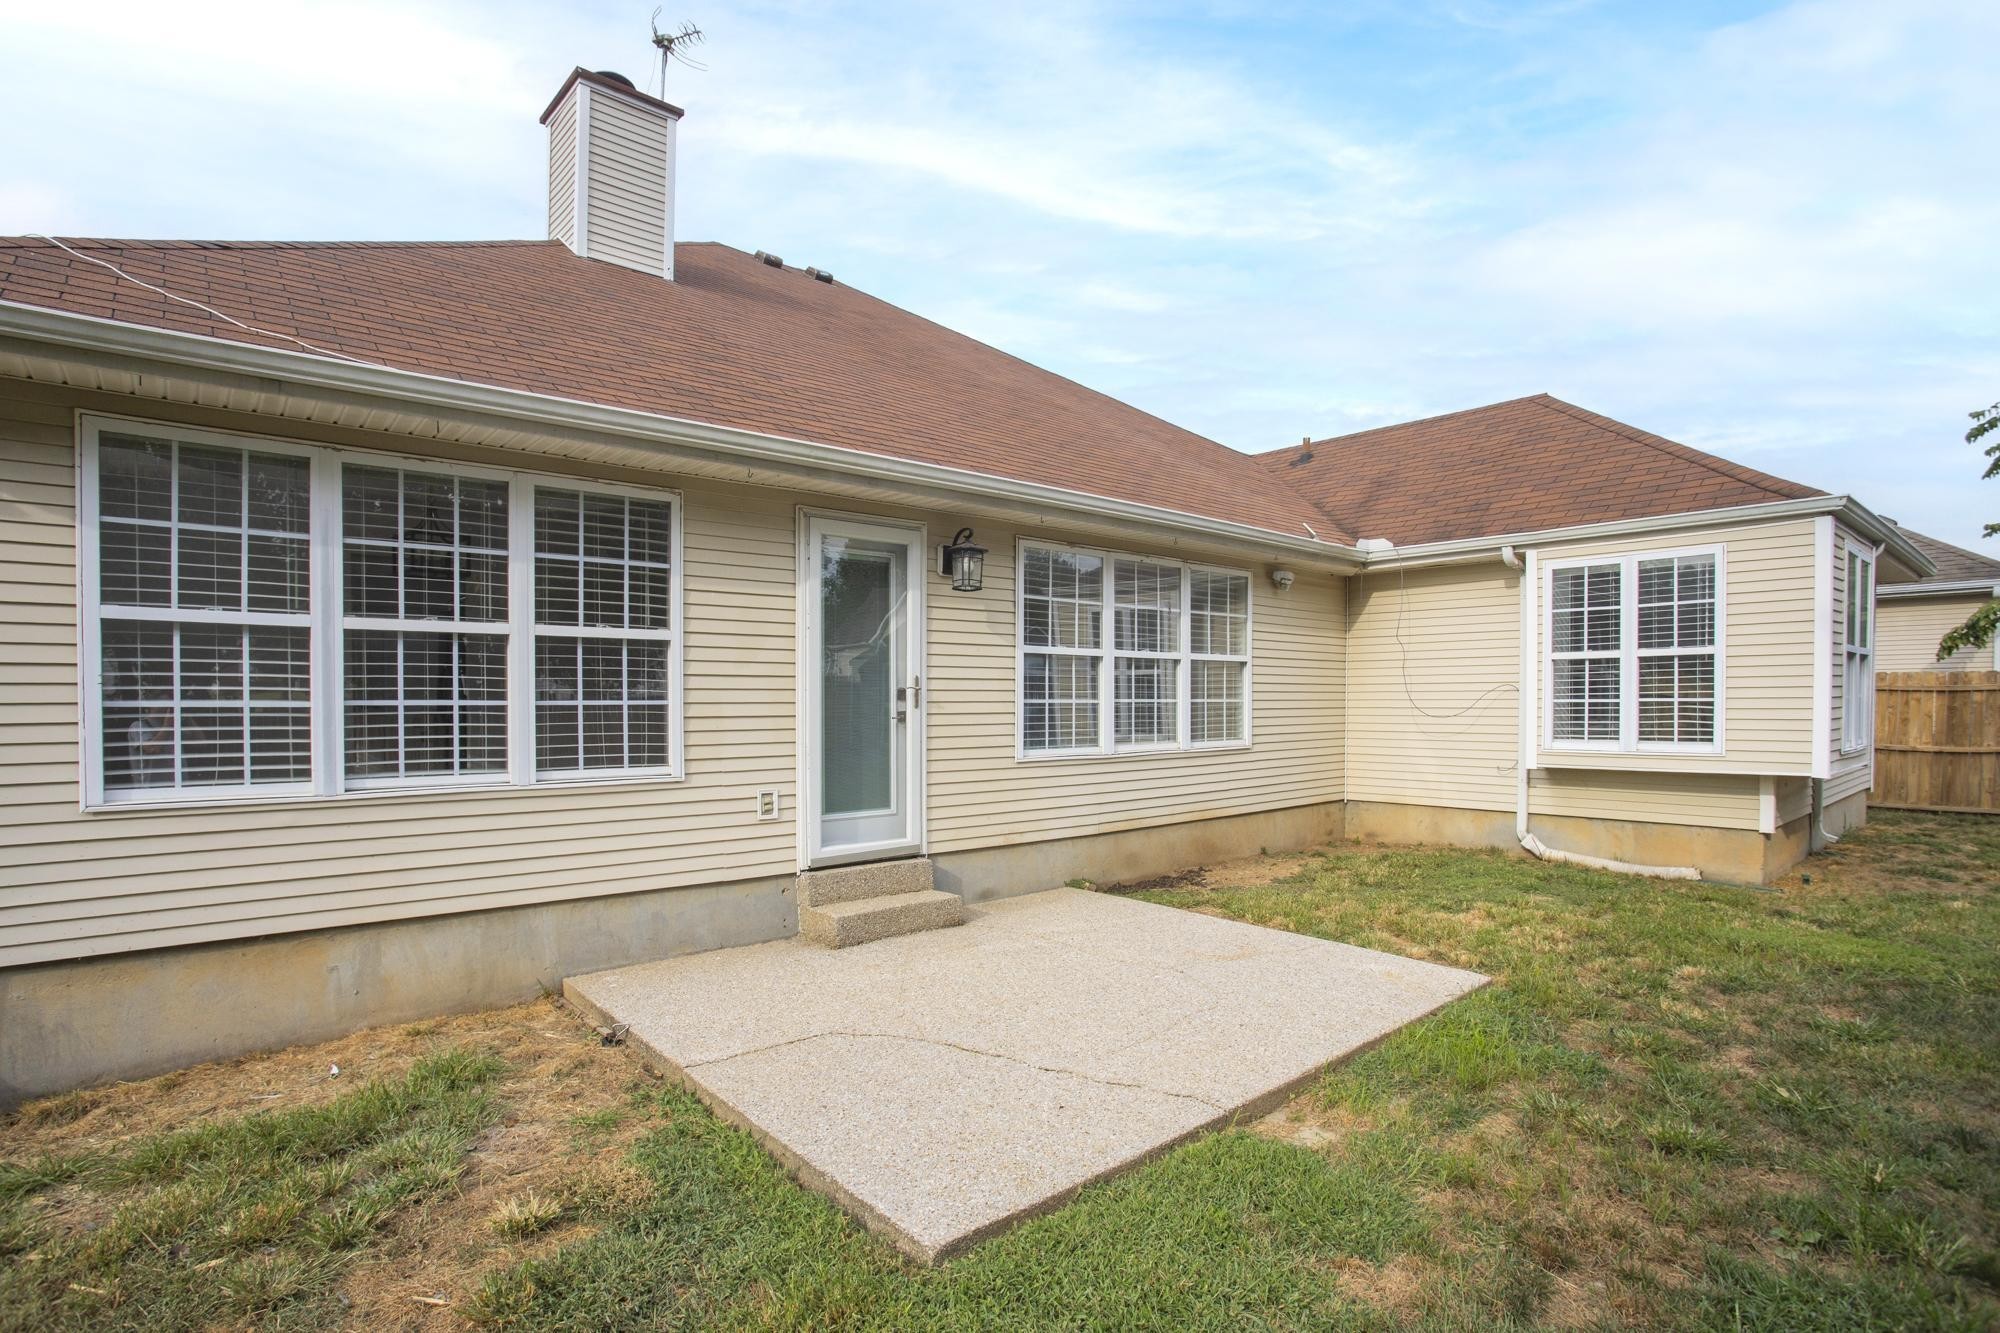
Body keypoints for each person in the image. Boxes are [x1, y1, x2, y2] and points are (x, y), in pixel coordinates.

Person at [127, 706, 173, 785]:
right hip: (151, 793)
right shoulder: (138, 726)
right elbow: (152, 748)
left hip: (175, 791)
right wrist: (167, 726)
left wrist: (187, 719)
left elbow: (199, 739)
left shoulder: (173, 727)